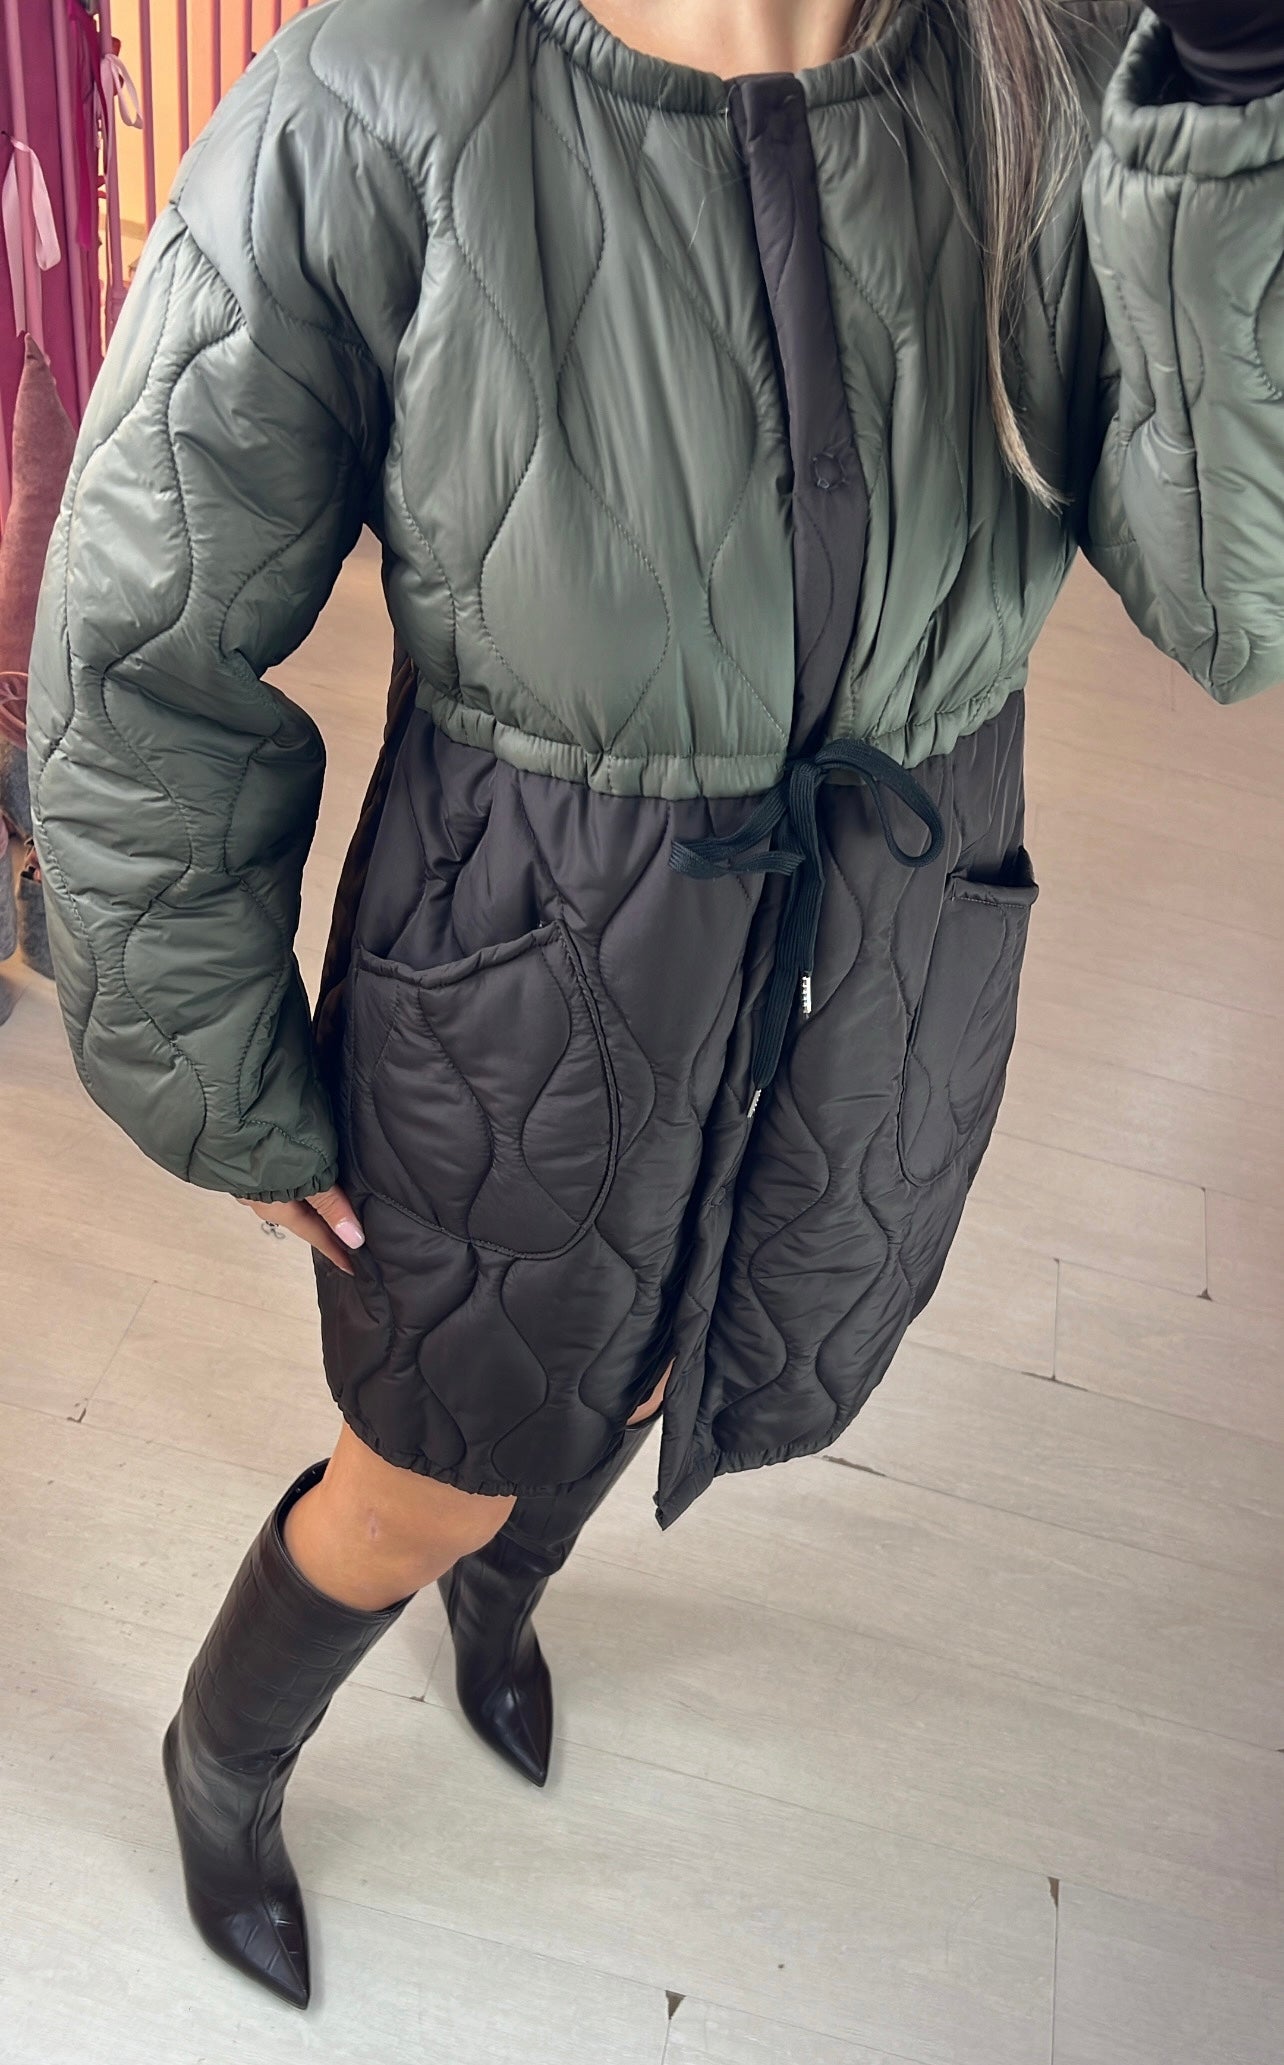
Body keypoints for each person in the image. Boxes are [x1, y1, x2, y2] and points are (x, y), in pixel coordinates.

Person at [26, 0, 1284, 2013]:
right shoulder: (375, 101)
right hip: (529, 981)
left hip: (884, 978)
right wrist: (215, 1067)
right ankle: (228, 1756)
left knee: (665, 1367)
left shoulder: (1052, 67)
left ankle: (507, 1601)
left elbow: (1229, 603)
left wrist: (1231, 109)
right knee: (428, 1468)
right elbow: (140, 644)